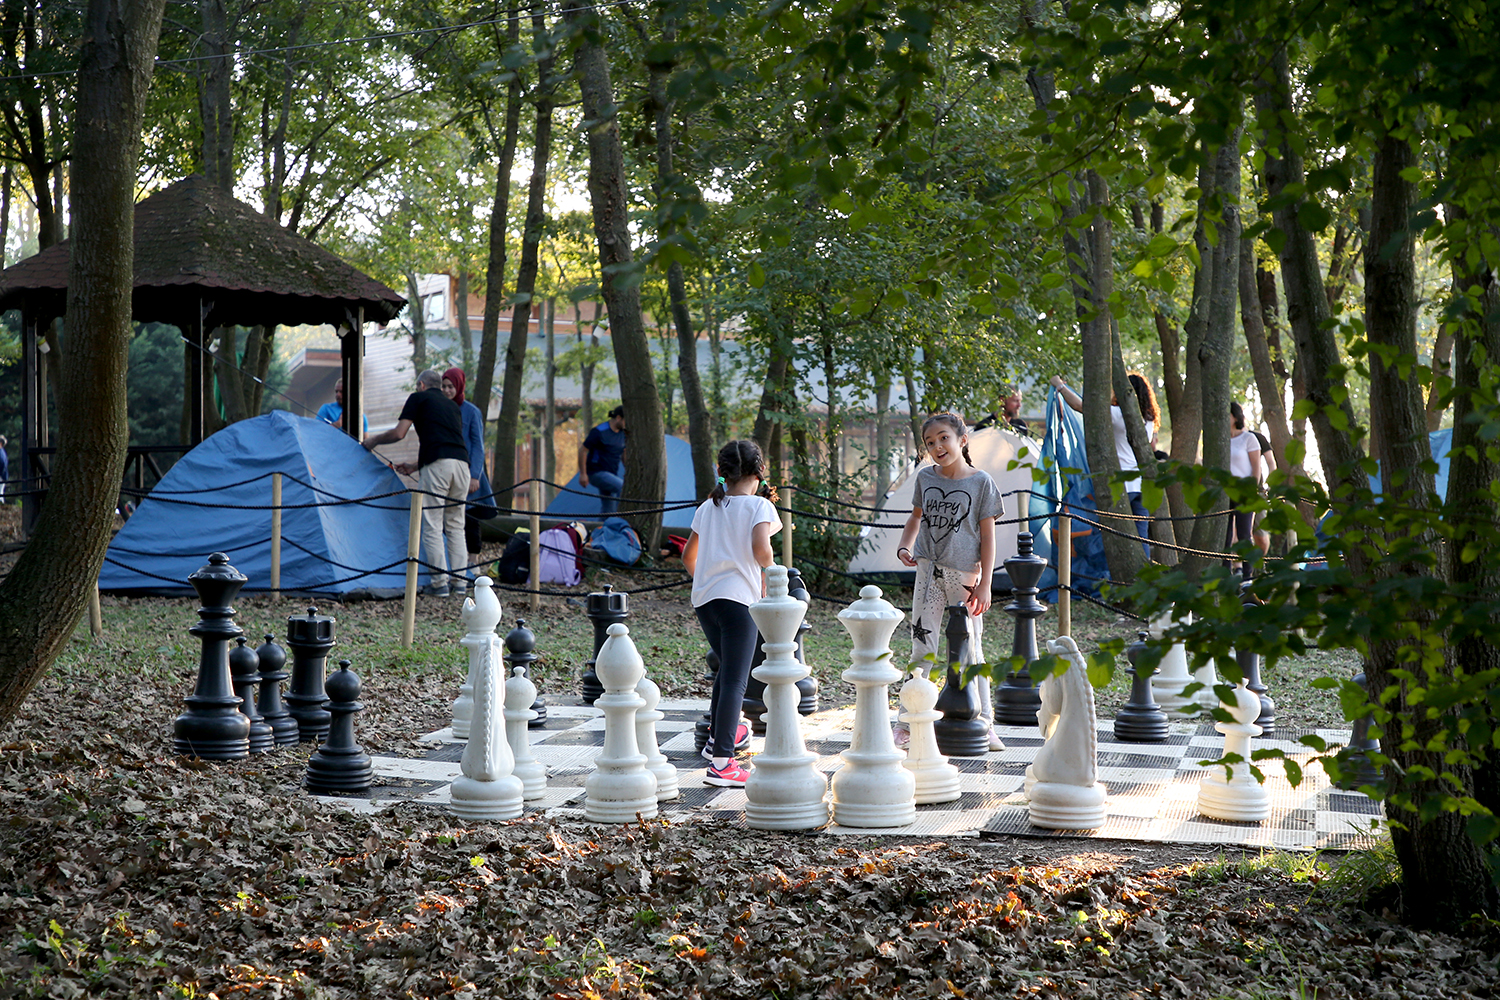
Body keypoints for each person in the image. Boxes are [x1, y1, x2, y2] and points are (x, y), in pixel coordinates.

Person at [893, 413, 1006, 752]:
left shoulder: (982, 482)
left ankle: (984, 722)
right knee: (921, 648)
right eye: (930, 443)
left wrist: (985, 582)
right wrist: (904, 546)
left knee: (972, 649)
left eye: (943, 438)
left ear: (962, 439)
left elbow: (988, 537)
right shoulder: (925, 478)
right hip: (928, 571)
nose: (937, 447)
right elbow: (916, 518)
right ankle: (907, 723)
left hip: (966, 576)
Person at [682, 440, 780, 787]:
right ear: (759, 473)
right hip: (739, 602)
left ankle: (715, 742)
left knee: (727, 672)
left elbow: (688, 557)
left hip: (705, 601)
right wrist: (771, 571)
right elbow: (760, 548)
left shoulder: (708, 507)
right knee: (738, 679)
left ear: (722, 471)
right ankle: (723, 764)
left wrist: (709, 579)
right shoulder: (759, 506)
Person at [362, 370, 470, 597]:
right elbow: (444, 441)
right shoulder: (452, 406)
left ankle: (439, 583)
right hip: (462, 466)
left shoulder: (418, 398)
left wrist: (374, 440)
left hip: (438, 466)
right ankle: (460, 583)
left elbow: (400, 433)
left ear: (421, 384)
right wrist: (414, 466)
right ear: (439, 386)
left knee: (431, 523)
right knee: (456, 525)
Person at [1049, 372, 1159, 556]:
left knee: (1113, 538)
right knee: (1141, 539)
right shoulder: (1148, 421)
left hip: (1120, 486)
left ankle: (1115, 579)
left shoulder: (1118, 415)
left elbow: (1080, 406)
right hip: (1141, 486)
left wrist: (1059, 386)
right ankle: (1143, 580)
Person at [442, 367, 496, 564]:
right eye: (444, 387)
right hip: (448, 472)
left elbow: (478, 447)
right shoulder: (441, 410)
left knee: (470, 519)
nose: (447, 391)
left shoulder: (472, 412)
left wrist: (475, 475)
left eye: (451, 387)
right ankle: (452, 561)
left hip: (468, 473)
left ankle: (473, 562)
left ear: (459, 386)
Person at [1227, 402, 1263, 578]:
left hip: (1244, 492)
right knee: (1224, 537)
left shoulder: (1249, 438)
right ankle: (1225, 573)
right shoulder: (1220, 440)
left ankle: (1248, 576)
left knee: (1244, 534)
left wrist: (1252, 490)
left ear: (1235, 417)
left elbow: (1256, 467)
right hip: (1225, 492)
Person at [579, 407, 627, 514]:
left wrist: (628, 471)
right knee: (622, 488)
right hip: (596, 473)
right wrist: (583, 474)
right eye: (626, 420)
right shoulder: (599, 432)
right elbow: (583, 450)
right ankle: (622, 518)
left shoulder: (623, 434)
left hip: (611, 474)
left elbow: (624, 453)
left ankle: (602, 529)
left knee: (608, 511)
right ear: (618, 418)